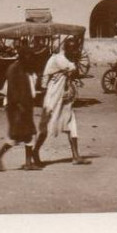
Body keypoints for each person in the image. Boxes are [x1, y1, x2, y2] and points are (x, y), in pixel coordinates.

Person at [33, 38, 90, 166]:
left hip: (64, 98)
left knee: (71, 125)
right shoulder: (59, 59)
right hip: (53, 98)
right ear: (66, 49)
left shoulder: (64, 58)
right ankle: (35, 151)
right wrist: (74, 62)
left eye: (75, 48)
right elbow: (74, 69)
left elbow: (74, 73)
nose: (75, 51)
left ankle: (76, 156)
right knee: (46, 127)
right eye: (72, 49)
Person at [0, 44, 41, 171]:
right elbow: (13, 91)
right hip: (17, 107)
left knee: (25, 135)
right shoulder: (14, 69)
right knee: (21, 135)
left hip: (25, 105)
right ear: (23, 56)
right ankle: (2, 156)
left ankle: (25, 162)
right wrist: (19, 106)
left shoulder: (25, 68)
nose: (30, 58)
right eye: (28, 56)